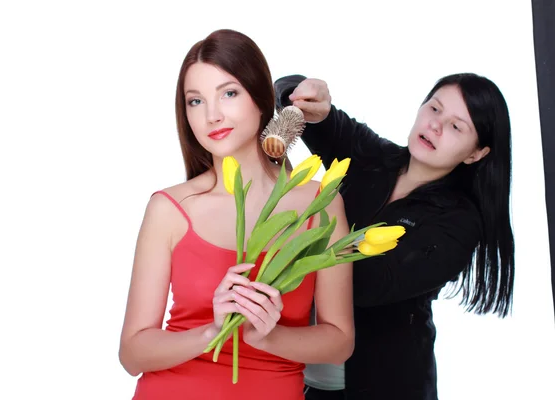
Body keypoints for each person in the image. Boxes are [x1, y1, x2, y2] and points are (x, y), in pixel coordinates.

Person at [117, 30, 355, 400]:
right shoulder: (169, 209)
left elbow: (339, 341)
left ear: (261, 100)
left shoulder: (318, 202)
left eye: (229, 93)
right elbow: (132, 354)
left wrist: (267, 334)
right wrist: (212, 330)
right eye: (195, 101)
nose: (212, 115)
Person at [274, 73, 515, 400]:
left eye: (457, 127)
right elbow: (289, 94)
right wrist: (305, 93)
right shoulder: (372, 158)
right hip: (303, 379)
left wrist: (302, 220)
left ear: (476, 153)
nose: (436, 126)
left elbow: (369, 284)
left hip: (386, 385)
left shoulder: (459, 223)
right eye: (434, 109)